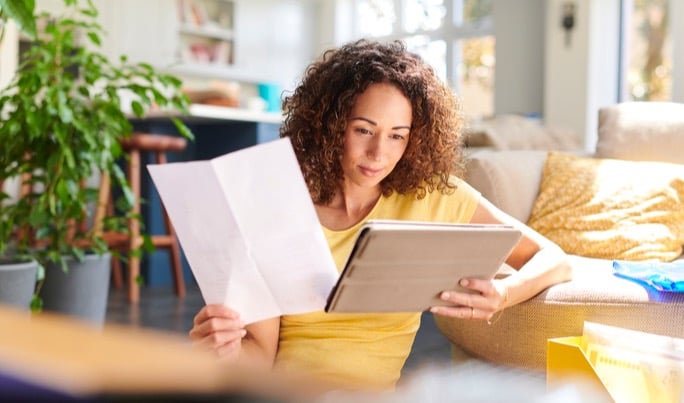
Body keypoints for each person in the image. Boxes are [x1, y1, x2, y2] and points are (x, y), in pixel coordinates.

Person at [189, 39, 572, 391]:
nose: (378, 154)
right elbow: (261, 357)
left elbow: (553, 259)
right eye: (363, 130)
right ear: (331, 125)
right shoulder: (279, 204)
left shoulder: (433, 196)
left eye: (397, 136)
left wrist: (503, 294)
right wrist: (226, 350)